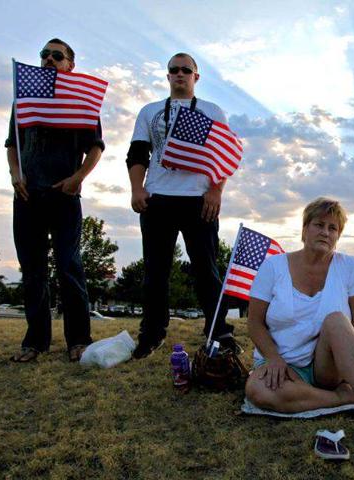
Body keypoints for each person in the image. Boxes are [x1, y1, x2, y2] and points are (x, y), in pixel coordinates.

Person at [245, 197, 354, 457]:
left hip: (327, 365)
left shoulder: (352, 268)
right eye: (319, 225)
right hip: (282, 366)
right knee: (255, 389)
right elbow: (254, 322)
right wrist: (273, 358)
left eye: (333, 228)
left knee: (337, 320)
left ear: (338, 236)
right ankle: (346, 398)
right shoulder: (273, 267)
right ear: (305, 230)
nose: (325, 232)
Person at [126, 52, 239, 359]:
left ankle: (218, 332)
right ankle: (151, 333)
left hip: (198, 200)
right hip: (158, 198)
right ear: (167, 76)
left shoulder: (211, 111)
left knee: (206, 269)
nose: (179, 74)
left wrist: (215, 192)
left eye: (185, 70)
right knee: (156, 271)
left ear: (195, 77)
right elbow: (138, 153)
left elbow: (223, 156)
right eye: (173, 70)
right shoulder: (150, 111)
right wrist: (137, 189)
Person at [5, 38, 105, 362]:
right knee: (33, 270)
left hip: (64, 195)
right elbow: (12, 144)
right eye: (44, 55)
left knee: (68, 266)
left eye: (56, 55)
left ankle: (78, 339)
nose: (49, 59)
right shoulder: (25, 97)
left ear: (69, 65)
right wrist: (15, 174)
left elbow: (96, 147)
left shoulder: (80, 100)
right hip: (27, 195)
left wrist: (78, 178)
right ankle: (35, 341)